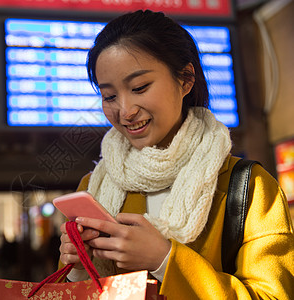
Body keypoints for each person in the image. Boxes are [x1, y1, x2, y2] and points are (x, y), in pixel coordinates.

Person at [58, 9, 294, 299]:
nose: (125, 111)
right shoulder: (92, 189)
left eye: (139, 87)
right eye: (109, 96)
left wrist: (166, 260)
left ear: (185, 79)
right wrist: (78, 269)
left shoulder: (248, 186)